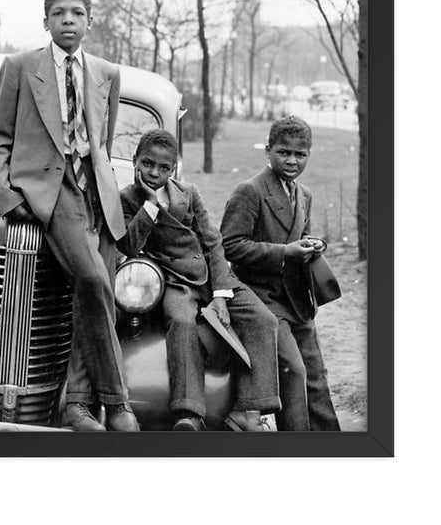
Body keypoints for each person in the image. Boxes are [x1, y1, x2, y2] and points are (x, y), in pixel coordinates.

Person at [0, 0, 138, 432]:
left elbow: (102, 144)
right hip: (52, 190)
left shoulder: (107, 71)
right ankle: (119, 401)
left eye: (76, 13)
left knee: (93, 299)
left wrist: (103, 184)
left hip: (99, 194)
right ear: (46, 20)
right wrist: (10, 199)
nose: (67, 20)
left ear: (89, 21)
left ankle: (78, 406)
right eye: (59, 13)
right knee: (93, 281)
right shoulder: (20, 66)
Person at [117, 130, 280, 431]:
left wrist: (220, 292)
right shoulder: (127, 199)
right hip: (174, 280)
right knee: (181, 323)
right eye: (147, 164)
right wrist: (151, 205)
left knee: (262, 319)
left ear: (173, 169)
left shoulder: (188, 192)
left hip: (210, 276)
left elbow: (213, 242)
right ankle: (189, 412)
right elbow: (128, 244)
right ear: (135, 162)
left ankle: (249, 408)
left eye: (164, 168)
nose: (154, 173)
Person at [221, 115, 341, 431]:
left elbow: (302, 234)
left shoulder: (304, 195)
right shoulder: (250, 191)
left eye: (300, 155)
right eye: (283, 152)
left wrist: (314, 245)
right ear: (268, 151)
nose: (292, 161)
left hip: (295, 297)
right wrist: (284, 252)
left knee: (315, 374)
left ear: (309, 155)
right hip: (259, 296)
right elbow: (230, 246)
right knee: (294, 369)